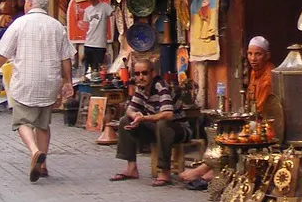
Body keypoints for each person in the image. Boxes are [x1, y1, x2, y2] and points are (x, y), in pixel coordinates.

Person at [0, 0, 75, 183]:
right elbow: (66, 58)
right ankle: (43, 166)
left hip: (25, 81)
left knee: (22, 121)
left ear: (29, 3)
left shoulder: (19, 24)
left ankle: (35, 151)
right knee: (42, 124)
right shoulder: (56, 26)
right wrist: (68, 81)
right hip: (49, 81)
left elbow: (3, 53)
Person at [181, 37, 284, 188]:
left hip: (265, 124)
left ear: (267, 56)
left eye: (258, 54)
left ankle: (206, 169)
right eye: (250, 54)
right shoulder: (255, 72)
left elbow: (260, 109)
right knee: (222, 130)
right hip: (254, 118)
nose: (253, 59)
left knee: (232, 134)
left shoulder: (268, 77)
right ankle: (214, 167)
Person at [110, 57, 185, 187]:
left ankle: (165, 172)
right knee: (125, 121)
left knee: (162, 123)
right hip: (156, 130)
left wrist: (144, 118)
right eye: (137, 74)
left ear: (152, 73)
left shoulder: (161, 86)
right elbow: (129, 110)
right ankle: (131, 168)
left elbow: (168, 114)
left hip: (178, 129)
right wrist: (136, 116)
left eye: (144, 73)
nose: (141, 77)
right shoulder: (140, 88)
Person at [79, 0, 113, 77]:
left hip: (100, 44)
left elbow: (115, 15)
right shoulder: (87, 10)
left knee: (98, 70)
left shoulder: (105, 7)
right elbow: (87, 26)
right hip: (88, 43)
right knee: (87, 71)